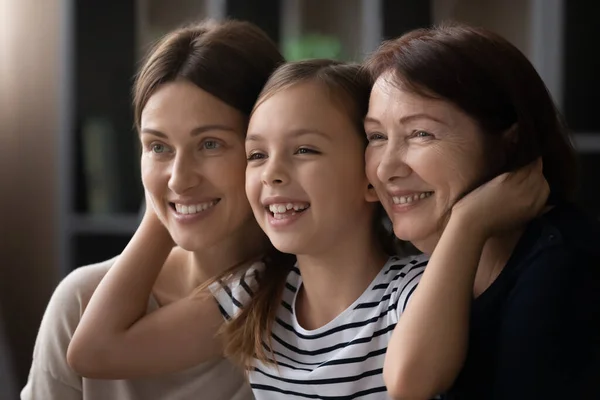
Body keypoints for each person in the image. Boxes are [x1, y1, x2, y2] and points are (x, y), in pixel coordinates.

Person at [67, 58, 546, 399]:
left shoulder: (417, 288)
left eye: (304, 150)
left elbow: (411, 383)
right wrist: (168, 201)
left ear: (369, 176)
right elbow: (94, 352)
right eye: (257, 155)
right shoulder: (255, 296)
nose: (272, 173)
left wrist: (467, 223)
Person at [22, 19, 284, 400]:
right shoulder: (81, 302)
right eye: (158, 147)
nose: (179, 178)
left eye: (210, 144)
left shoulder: (305, 305)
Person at [363, 24, 600, 399]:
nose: (386, 168)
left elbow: (407, 385)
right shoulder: (421, 260)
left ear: (509, 141)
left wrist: (467, 221)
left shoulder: (564, 270)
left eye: (421, 134)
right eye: (376, 137)